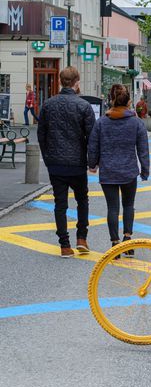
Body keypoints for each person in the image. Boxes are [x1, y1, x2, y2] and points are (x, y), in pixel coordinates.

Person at [37, 66, 96, 258]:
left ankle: (64, 245)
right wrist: (92, 161)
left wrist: (47, 158)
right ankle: (82, 238)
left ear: (62, 81)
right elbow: (92, 137)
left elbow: (41, 135)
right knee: (82, 200)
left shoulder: (48, 104)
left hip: (55, 163)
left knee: (60, 204)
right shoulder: (83, 106)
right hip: (77, 163)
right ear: (77, 82)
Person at [88, 84, 150, 257]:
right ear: (129, 102)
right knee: (129, 205)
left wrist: (92, 165)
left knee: (112, 208)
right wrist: (145, 171)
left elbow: (93, 146)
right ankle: (127, 240)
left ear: (111, 100)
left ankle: (115, 244)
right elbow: (143, 149)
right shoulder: (136, 122)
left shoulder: (101, 122)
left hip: (108, 171)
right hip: (129, 171)